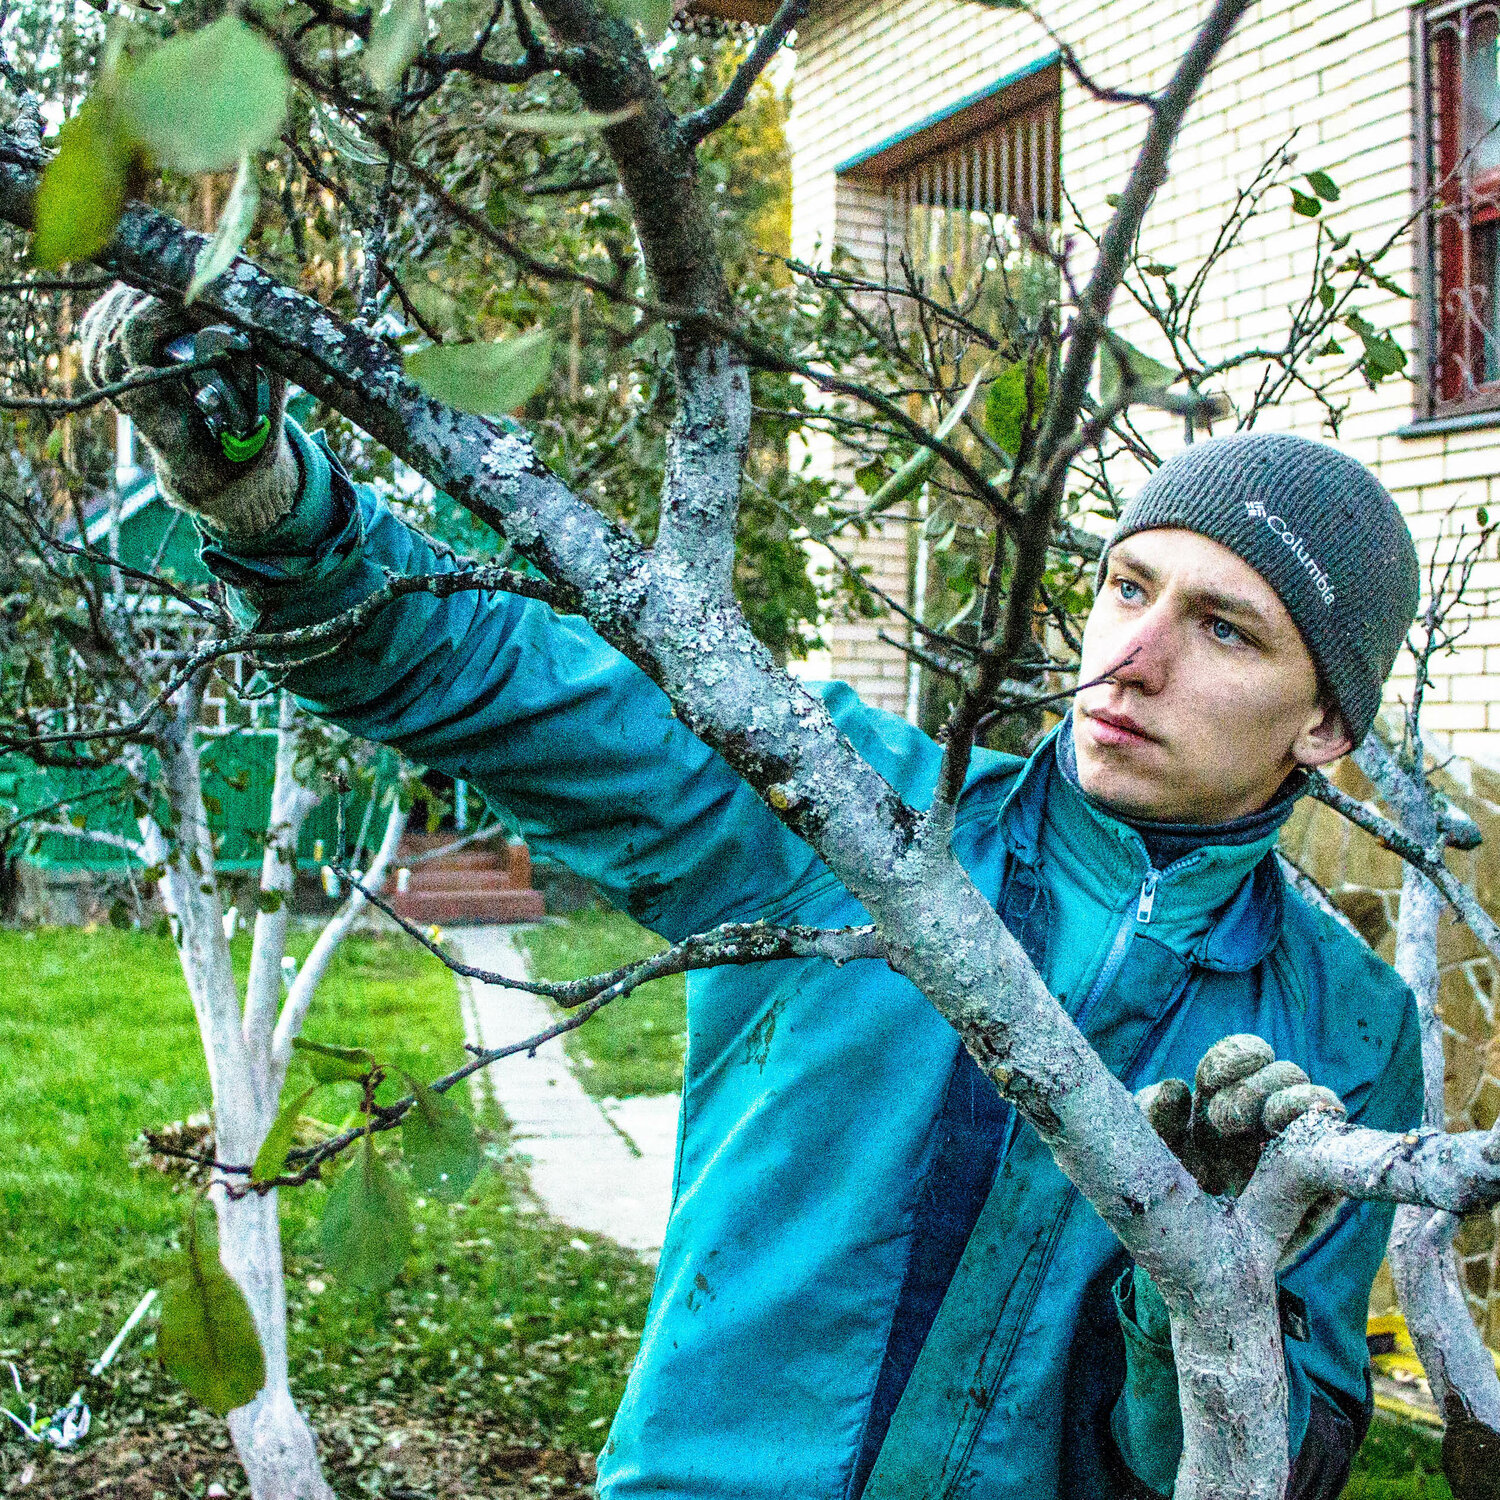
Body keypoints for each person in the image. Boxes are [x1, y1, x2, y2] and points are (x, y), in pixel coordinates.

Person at [79, 286, 1423, 1500]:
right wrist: (273, 507)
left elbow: (1276, 1468)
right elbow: (510, 683)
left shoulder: (1346, 1032)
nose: (1132, 657)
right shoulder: (848, 806)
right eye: (1130, 586)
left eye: (1224, 628)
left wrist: (1203, 1283)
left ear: (1324, 727)